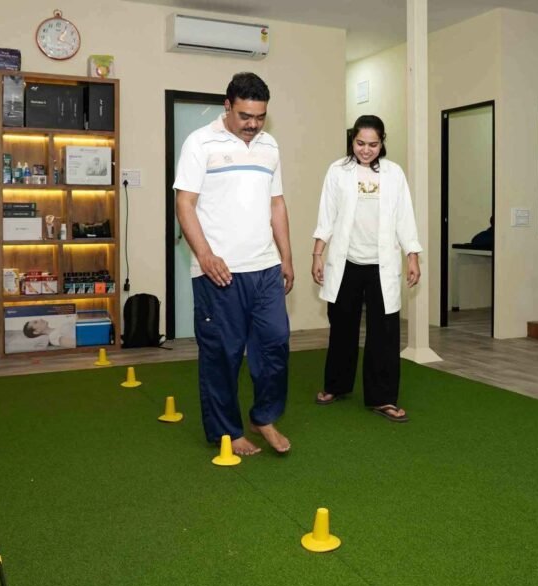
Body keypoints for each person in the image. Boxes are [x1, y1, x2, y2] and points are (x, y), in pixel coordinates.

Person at [173, 72, 294, 455]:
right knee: (222, 353)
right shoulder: (199, 143)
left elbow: (276, 203)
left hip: (265, 268)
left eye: (259, 117)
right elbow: (184, 203)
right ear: (227, 106)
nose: (253, 124)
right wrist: (205, 256)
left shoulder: (269, 145)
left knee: (275, 343)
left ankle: (264, 417)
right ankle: (228, 431)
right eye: (245, 116)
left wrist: (286, 256)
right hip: (219, 272)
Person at [311, 115, 421, 422]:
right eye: (360, 143)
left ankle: (382, 397)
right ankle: (336, 385)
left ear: (383, 142)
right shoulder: (338, 171)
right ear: (352, 140)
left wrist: (412, 254)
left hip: (381, 265)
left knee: (383, 333)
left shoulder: (394, 174)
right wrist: (317, 253)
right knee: (342, 328)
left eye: (373, 144)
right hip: (346, 263)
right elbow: (327, 216)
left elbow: (404, 217)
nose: (366, 150)